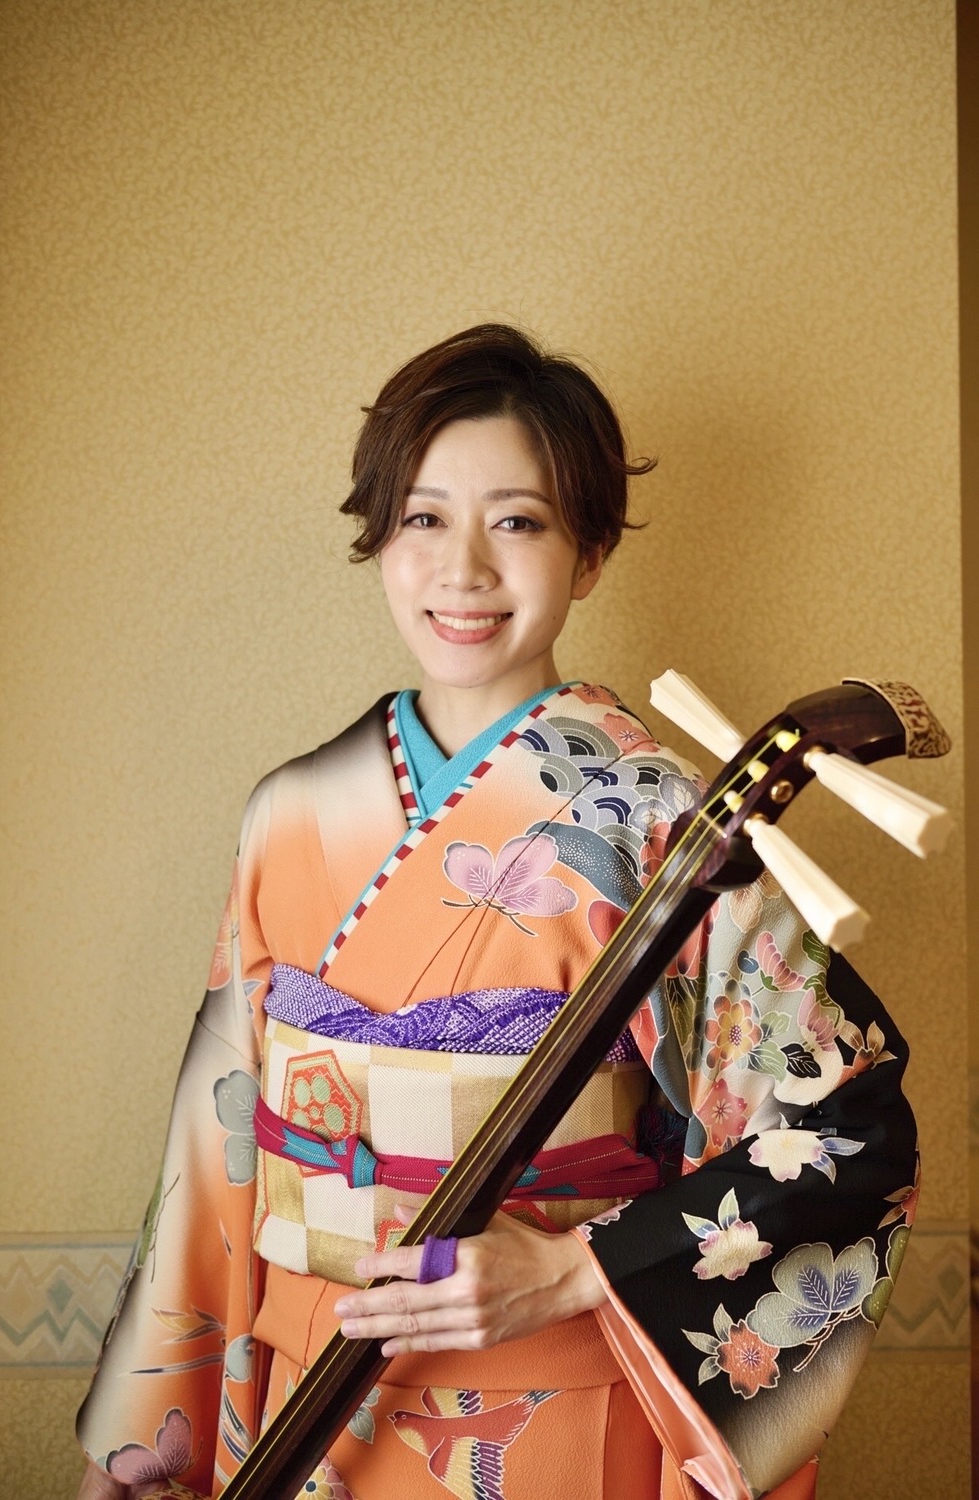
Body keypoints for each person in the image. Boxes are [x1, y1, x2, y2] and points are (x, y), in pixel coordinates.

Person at [76, 326, 918, 1500]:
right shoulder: (290, 813)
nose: (461, 568)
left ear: (590, 553)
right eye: (422, 518)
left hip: (554, 1405)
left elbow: (848, 1128)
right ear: (380, 539)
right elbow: (216, 1138)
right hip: (307, 1395)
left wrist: (576, 1271)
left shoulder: (664, 825)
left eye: (516, 522)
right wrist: (144, 1437)